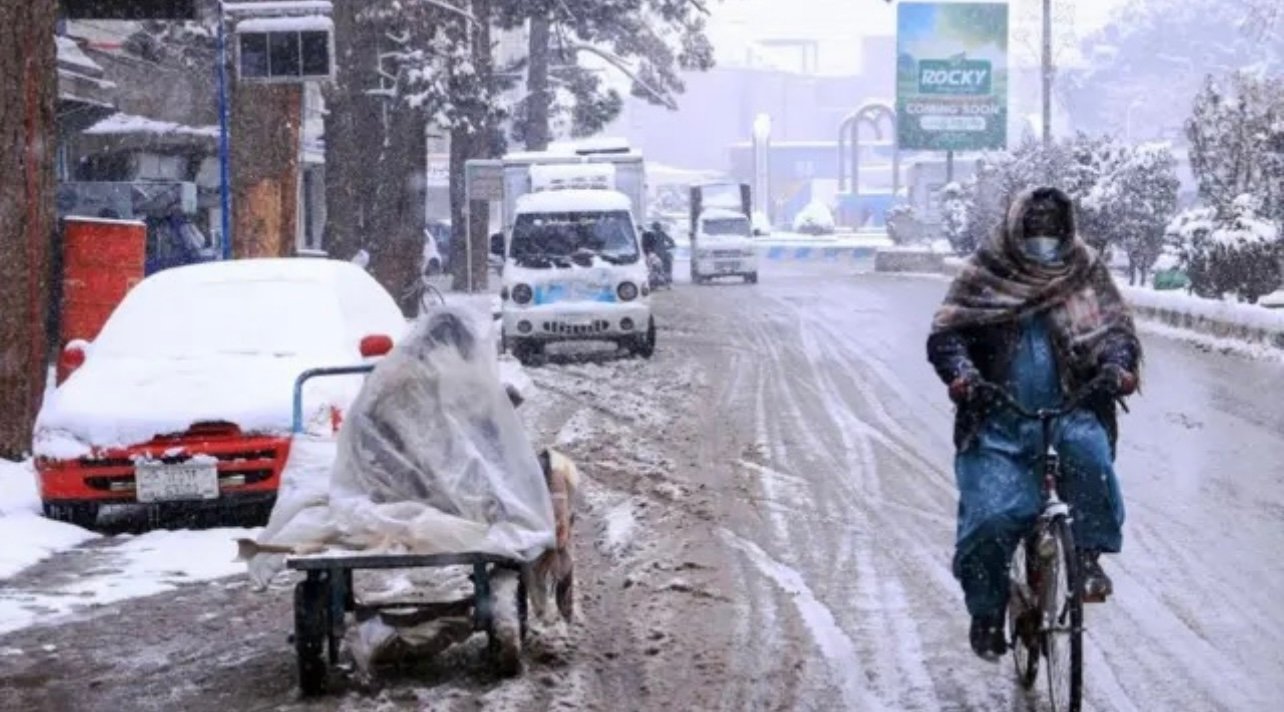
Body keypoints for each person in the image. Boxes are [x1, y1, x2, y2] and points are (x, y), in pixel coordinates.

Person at [926, 186, 1142, 661]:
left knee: (1092, 462)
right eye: (1034, 229)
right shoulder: (988, 271)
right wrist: (963, 376)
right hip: (998, 420)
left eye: (1052, 230)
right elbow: (947, 335)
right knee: (990, 519)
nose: (1043, 239)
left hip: (1071, 411)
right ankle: (987, 612)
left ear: (1066, 231)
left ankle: (1087, 556)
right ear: (1015, 229)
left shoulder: (1083, 272)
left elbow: (1115, 332)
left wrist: (1116, 367)